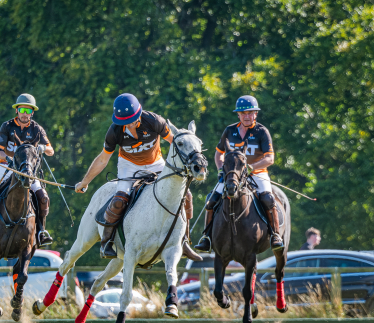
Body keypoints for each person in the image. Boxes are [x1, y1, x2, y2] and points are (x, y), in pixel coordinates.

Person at [74, 93, 202, 261]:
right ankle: (107, 241)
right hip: (129, 167)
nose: (129, 124)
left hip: (156, 164)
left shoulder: (154, 121)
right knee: (119, 199)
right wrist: (85, 181)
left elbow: (176, 142)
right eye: (124, 121)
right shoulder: (114, 131)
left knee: (186, 196)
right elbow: (103, 159)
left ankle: (184, 242)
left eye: (132, 120)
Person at [195, 95, 284, 252]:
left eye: (250, 113)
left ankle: (275, 235)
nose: (247, 116)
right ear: (238, 115)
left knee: (268, 199)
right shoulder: (229, 131)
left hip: (257, 173)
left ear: (255, 114)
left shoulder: (261, 132)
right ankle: (206, 237)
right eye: (243, 114)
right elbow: (218, 154)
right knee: (211, 200)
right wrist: (221, 169)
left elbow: (270, 158)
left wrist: (250, 167)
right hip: (232, 175)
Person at [0, 93, 55, 248]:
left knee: (43, 197)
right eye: (22, 109)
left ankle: (41, 231)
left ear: (32, 113)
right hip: (7, 167)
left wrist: (42, 147)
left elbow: (51, 150)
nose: (25, 113)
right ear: (17, 110)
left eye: (28, 111)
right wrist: (8, 159)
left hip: (27, 171)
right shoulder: (7, 126)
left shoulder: (37, 129)